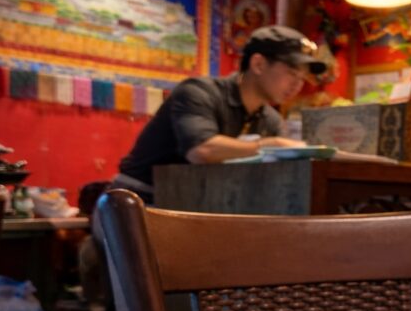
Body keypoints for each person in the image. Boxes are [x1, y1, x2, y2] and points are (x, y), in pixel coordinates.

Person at [113, 25, 326, 202]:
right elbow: (202, 150)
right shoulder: (198, 92)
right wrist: (273, 146)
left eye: (302, 77)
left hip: (198, 205)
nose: (298, 84)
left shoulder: (271, 120)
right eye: (292, 73)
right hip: (137, 201)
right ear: (258, 64)